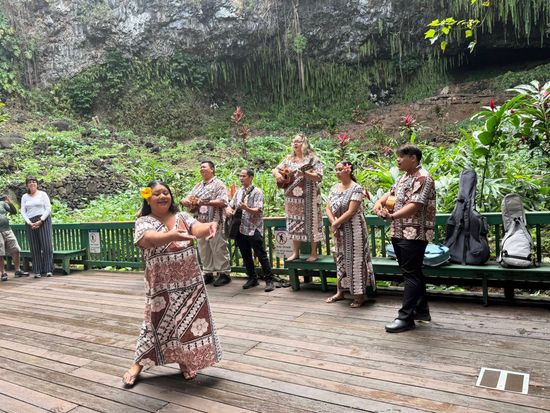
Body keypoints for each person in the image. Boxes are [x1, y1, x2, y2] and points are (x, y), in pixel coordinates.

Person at [123, 180, 222, 388]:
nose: (162, 196)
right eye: (157, 193)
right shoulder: (144, 221)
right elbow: (148, 239)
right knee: (155, 323)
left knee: (187, 323)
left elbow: (197, 228)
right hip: (161, 286)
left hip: (189, 284)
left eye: (165, 192)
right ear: (148, 199)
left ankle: (184, 361)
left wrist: (210, 226)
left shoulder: (182, 217)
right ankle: (137, 364)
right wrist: (171, 235)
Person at [374, 144, 436, 333]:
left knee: (411, 274)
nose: (398, 160)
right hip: (399, 232)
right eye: (397, 157)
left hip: (414, 233)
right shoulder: (403, 178)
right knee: (412, 273)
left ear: (414, 158)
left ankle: (405, 318)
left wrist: (392, 216)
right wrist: (379, 203)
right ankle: (421, 311)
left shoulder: (423, 178)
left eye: (401, 157)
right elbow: (390, 195)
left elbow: (415, 205)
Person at [325, 162, 376, 307]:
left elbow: (351, 211)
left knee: (356, 260)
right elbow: (327, 208)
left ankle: (359, 296)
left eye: (340, 169)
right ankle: (340, 292)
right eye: (336, 169)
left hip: (355, 230)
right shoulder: (334, 188)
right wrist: (334, 223)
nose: (337, 172)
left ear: (348, 170)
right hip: (339, 230)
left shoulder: (357, 188)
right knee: (340, 259)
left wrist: (335, 224)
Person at [272, 134, 324, 262]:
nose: (295, 143)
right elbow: (275, 169)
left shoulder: (312, 159)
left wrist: (305, 174)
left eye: (298, 141)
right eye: (293, 141)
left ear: (304, 143)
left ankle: (314, 253)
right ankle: (295, 252)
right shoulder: (289, 159)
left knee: (312, 223)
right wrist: (278, 175)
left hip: (309, 198)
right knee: (294, 223)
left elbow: (319, 177)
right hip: (292, 199)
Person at [180, 161, 231, 286]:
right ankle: (208, 273)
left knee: (218, 247)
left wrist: (203, 202)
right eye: (200, 167)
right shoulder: (198, 186)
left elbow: (223, 201)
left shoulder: (219, 185)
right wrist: (186, 201)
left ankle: (223, 274)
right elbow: (187, 198)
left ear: (212, 169)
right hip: (200, 223)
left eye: (204, 167)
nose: (201, 169)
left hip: (216, 221)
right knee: (203, 248)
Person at [226, 168, 275, 292]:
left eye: (244, 176)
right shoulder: (238, 192)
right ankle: (252, 278)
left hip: (253, 228)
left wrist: (246, 208)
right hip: (240, 227)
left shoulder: (257, 192)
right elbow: (230, 205)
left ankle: (269, 281)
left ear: (251, 177)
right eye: (240, 176)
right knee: (245, 254)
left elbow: (258, 210)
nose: (241, 178)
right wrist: (229, 210)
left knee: (261, 255)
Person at [20, 177, 54, 278]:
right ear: (27, 185)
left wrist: (41, 220)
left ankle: (48, 269)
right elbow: (23, 211)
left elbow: (48, 208)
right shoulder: (25, 197)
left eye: (34, 182)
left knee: (46, 245)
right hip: (30, 222)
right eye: (30, 182)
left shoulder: (43, 194)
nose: (32, 183)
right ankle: (37, 270)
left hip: (43, 220)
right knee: (34, 247)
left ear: (37, 184)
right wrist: (29, 222)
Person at [0, 195, 29, 281]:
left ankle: (17, 270)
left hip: (7, 229)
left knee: (16, 249)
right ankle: (3, 273)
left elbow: (14, 212)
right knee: (0, 253)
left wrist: (10, 203)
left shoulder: (2, 203)